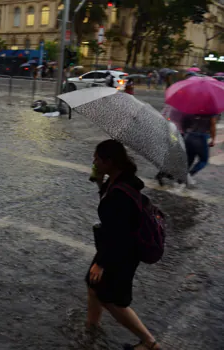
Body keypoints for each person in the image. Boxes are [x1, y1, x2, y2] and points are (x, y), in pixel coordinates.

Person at [87, 140, 161, 350]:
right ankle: (91, 327)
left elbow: (118, 233)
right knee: (93, 286)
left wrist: (101, 263)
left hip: (121, 253)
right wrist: (100, 183)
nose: (94, 162)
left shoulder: (121, 191)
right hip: (116, 248)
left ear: (109, 161)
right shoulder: (119, 180)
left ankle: (149, 342)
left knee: (112, 299)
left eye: (97, 158)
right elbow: (110, 211)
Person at [182, 115, 218, 186]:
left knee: (189, 159)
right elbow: (212, 125)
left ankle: (182, 177)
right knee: (204, 160)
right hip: (201, 138)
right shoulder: (211, 111)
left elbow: (185, 120)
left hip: (190, 136)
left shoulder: (195, 109)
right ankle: (189, 175)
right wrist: (213, 139)